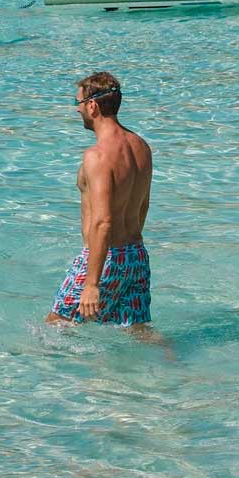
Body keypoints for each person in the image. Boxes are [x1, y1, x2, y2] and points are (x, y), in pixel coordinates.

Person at [48, 71, 152, 326]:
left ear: (92, 106)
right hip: (136, 256)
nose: (77, 110)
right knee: (139, 332)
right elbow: (142, 206)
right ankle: (174, 363)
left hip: (104, 258)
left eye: (78, 103)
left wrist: (92, 284)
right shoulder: (141, 146)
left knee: (54, 329)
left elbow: (103, 221)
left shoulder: (97, 156)